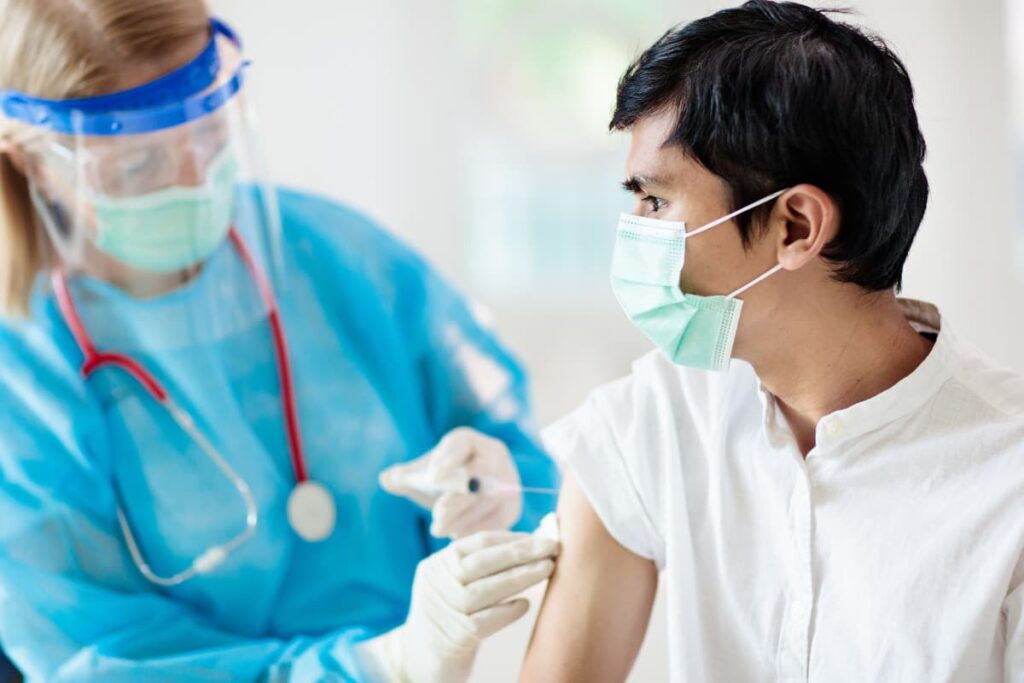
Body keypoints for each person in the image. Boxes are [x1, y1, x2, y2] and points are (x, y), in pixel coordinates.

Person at [0, 1, 559, 681]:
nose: (196, 177)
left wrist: (497, 489)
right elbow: (92, 657)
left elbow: (520, 450)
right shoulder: (21, 374)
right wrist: (376, 663)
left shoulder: (338, 258)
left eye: (207, 133)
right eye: (140, 165)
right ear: (36, 163)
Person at [521, 2, 1024, 681]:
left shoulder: (1007, 478)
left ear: (794, 226)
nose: (632, 231)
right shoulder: (652, 423)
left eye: (655, 201)